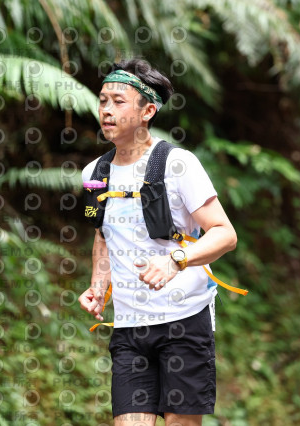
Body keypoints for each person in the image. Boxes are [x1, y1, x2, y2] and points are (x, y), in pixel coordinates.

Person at [78, 58, 238, 426]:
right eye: (102, 101)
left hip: (184, 322)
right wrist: (98, 285)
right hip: (129, 328)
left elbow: (225, 234)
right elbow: (101, 234)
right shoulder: (94, 173)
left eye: (118, 101)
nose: (106, 110)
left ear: (148, 111)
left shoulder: (178, 164)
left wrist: (175, 260)